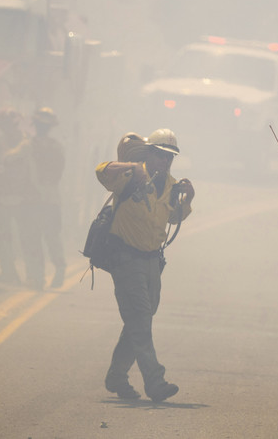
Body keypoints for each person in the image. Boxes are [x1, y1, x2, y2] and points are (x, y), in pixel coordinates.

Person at [96, 129, 194, 402]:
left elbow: (174, 218)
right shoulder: (130, 174)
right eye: (161, 155)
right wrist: (132, 167)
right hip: (126, 259)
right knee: (139, 317)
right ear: (149, 154)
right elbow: (101, 171)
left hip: (151, 261)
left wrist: (189, 199)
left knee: (140, 319)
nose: (165, 162)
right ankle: (155, 381)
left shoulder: (171, 184)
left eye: (170, 157)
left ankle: (116, 375)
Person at [22, 106, 66, 289]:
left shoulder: (28, 145)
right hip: (48, 199)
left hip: (37, 199)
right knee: (47, 237)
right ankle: (55, 270)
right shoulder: (57, 147)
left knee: (38, 238)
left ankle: (41, 276)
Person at [0, 108, 27, 284]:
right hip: (2, 198)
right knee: (4, 237)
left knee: (23, 237)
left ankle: (29, 274)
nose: (8, 129)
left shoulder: (27, 143)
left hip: (23, 199)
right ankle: (9, 272)